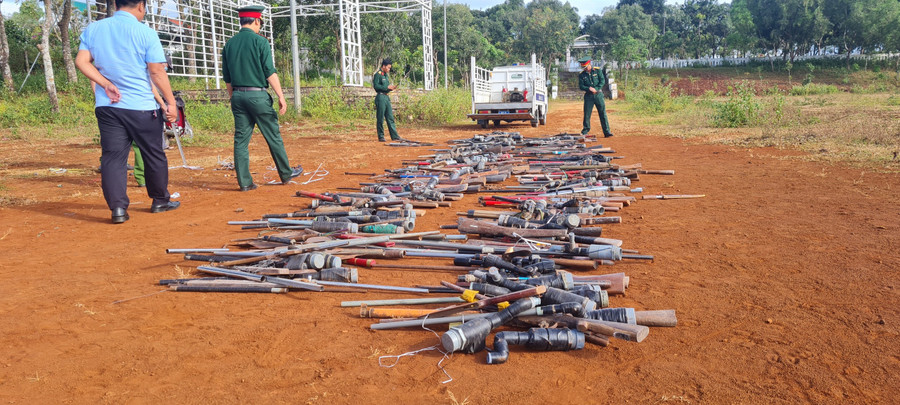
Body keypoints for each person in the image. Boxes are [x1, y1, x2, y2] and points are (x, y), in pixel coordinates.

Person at [75, 0, 180, 224]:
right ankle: (160, 200)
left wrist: (105, 84)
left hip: (108, 107)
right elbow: (156, 71)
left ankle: (118, 209)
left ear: (115, 4)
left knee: (113, 158)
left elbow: (82, 62)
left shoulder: (93, 29)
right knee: (153, 153)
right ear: (141, 6)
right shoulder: (145, 33)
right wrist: (170, 102)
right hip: (141, 106)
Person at [221, 5, 301, 192]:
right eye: (260, 23)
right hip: (257, 95)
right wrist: (281, 96)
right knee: (272, 135)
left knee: (240, 140)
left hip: (238, 95)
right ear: (256, 20)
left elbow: (227, 78)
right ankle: (285, 173)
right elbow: (269, 72)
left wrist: (234, 97)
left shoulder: (229, 44)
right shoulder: (260, 42)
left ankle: (245, 182)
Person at [577, 57, 614, 138]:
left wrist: (596, 89)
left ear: (589, 64)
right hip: (588, 96)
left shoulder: (597, 71)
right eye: (584, 68)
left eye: (586, 67)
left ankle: (607, 132)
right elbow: (581, 86)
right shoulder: (582, 74)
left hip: (598, 95)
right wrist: (589, 88)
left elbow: (602, 81)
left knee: (602, 113)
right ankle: (585, 131)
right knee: (587, 114)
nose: (585, 69)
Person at [373, 58, 401, 142]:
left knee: (390, 117)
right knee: (380, 117)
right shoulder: (378, 74)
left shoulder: (385, 75)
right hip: (380, 97)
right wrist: (386, 87)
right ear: (384, 66)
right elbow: (376, 87)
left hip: (386, 97)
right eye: (388, 68)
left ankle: (395, 136)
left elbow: (386, 87)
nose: (389, 69)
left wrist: (391, 88)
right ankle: (381, 136)